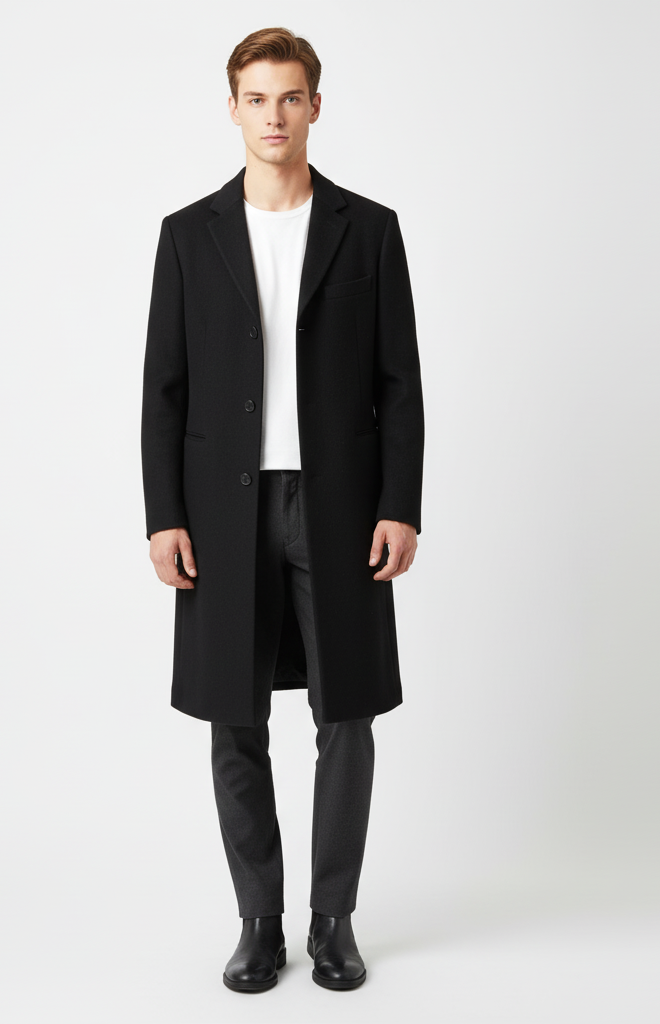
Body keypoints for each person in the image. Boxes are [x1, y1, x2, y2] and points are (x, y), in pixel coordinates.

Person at [141, 26, 424, 993]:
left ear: (315, 107)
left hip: (339, 507)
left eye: (290, 97)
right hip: (224, 512)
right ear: (232, 109)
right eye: (256, 99)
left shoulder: (368, 229)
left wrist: (399, 504)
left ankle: (333, 919)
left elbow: (400, 382)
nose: (274, 115)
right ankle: (259, 920)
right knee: (234, 715)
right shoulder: (189, 235)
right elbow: (164, 389)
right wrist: (163, 515)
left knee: (349, 712)